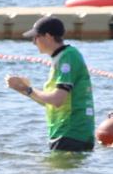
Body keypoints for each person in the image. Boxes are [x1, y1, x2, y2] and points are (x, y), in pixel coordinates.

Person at [6, 16, 95, 152]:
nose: (33, 42)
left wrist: (28, 89)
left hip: (70, 133)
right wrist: (22, 89)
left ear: (47, 36)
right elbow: (51, 102)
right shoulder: (60, 58)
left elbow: (57, 99)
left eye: (35, 37)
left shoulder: (68, 56)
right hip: (68, 133)